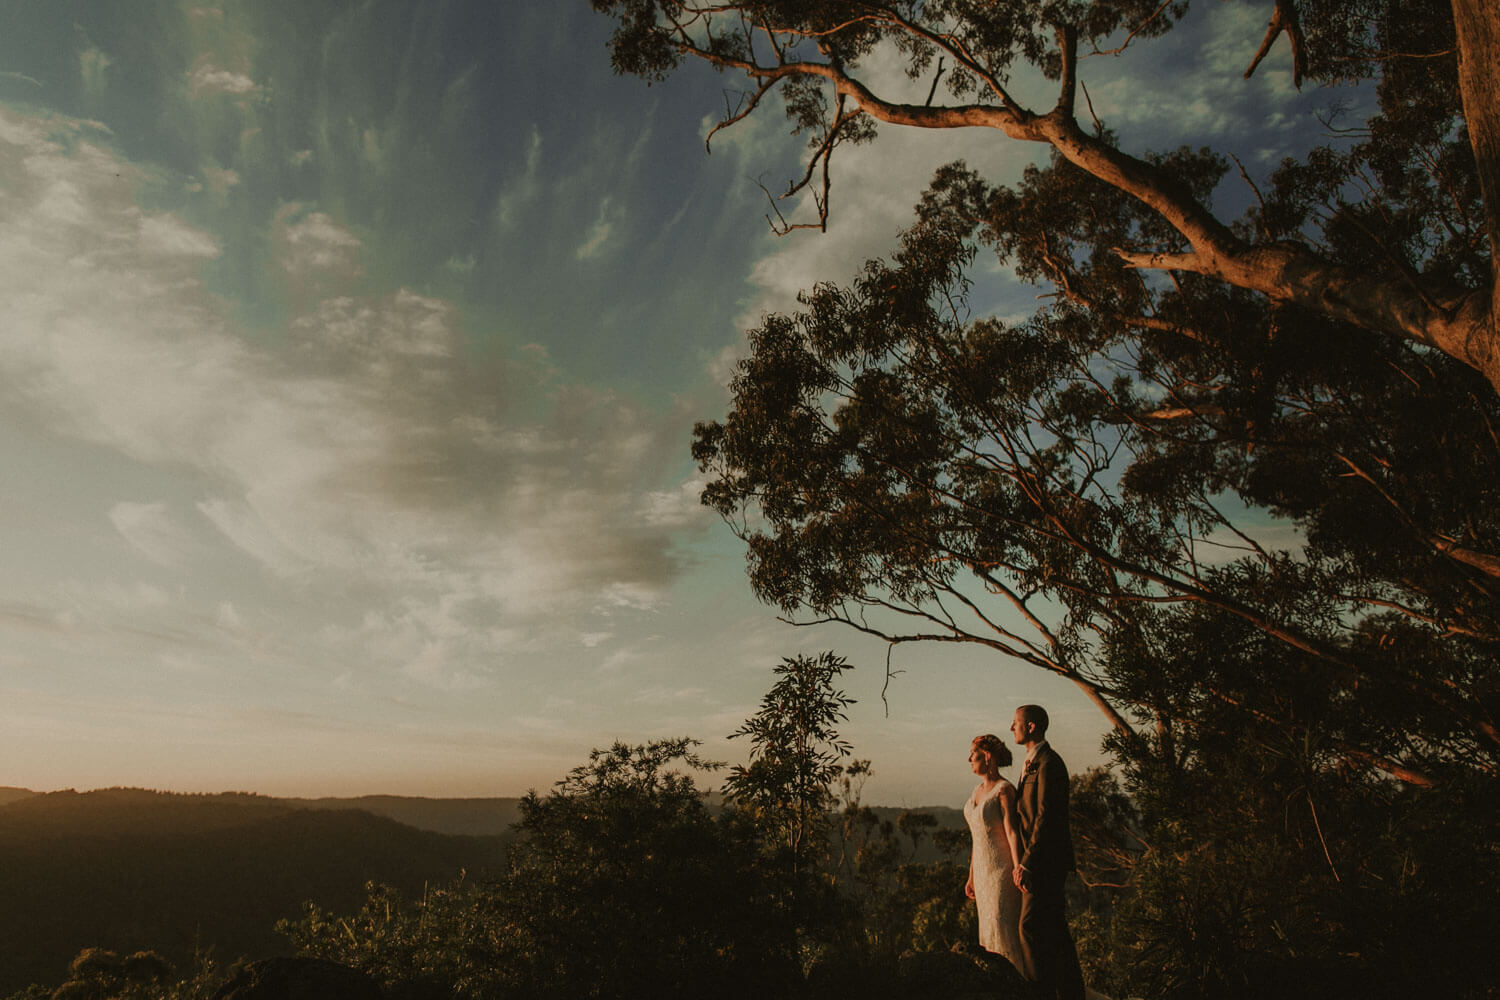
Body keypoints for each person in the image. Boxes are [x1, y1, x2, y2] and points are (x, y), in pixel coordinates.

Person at [1010, 704, 1086, 1000]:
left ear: (1031, 727)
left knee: (1029, 927)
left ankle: (1038, 993)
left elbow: (1046, 817)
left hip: (1045, 863)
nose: (1011, 727)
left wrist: (1027, 863)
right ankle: (1070, 993)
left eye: (1015, 722)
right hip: (1039, 861)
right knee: (1054, 929)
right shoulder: (1033, 761)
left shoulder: (1049, 763)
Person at [962, 733, 1025, 971]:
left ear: (987, 756)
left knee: (1002, 925)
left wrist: (1018, 866)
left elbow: (1012, 832)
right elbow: (977, 840)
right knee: (987, 929)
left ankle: (1017, 984)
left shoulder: (1004, 790)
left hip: (1001, 871)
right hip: (981, 873)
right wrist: (971, 877)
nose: (969, 759)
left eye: (973, 754)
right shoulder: (975, 791)